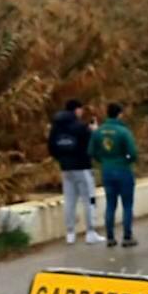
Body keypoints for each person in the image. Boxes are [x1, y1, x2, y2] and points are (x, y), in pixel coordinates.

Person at [47, 99, 106, 245]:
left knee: (70, 200)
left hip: (66, 168)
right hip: (82, 167)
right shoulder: (80, 127)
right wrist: (94, 132)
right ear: (76, 110)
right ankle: (91, 232)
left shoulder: (56, 127)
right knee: (89, 200)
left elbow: (51, 147)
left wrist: (62, 159)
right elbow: (91, 146)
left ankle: (70, 233)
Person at [90, 102, 139, 248]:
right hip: (123, 170)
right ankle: (127, 236)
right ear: (120, 114)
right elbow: (133, 153)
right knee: (127, 205)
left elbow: (92, 152)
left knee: (111, 204)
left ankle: (110, 237)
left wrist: (103, 160)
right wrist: (127, 160)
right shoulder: (123, 131)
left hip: (107, 170)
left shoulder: (99, 132)